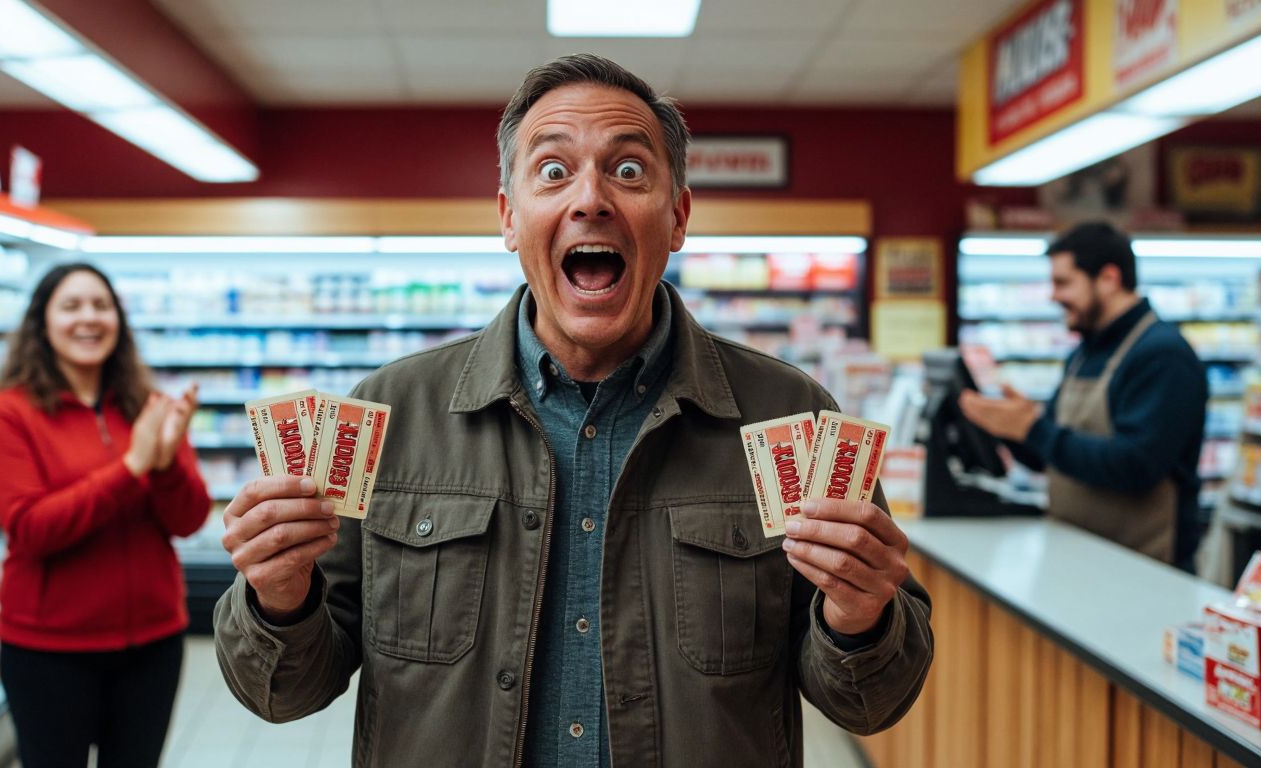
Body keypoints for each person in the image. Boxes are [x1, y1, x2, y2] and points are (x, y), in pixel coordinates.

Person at [214, 54, 933, 765]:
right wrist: (278, 599)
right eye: (553, 172)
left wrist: (860, 620)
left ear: (677, 217)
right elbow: (285, 693)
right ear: (509, 217)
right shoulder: (392, 413)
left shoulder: (790, 417)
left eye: (628, 170)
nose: (591, 198)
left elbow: (869, 702)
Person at [0, 263, 210, 767]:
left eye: (101, 306)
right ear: (42, 322)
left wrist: (165, 465)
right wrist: (132, 467)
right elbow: (32, 529)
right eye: (72, 305)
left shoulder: (148, 406)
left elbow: (188, 520)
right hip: (49, 650)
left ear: (119, 321)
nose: (89, 318)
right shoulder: (8, 413)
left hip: (153, 641)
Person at [959, 222, 1208, 571]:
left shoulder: (1162, 355)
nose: (1052, 295)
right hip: (1079, 555)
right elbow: (1053, 456)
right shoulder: (1085, 353)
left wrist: (1033, 429)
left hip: (1144, 568)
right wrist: (1005, 425)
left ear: (1108, 278)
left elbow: (1137, 466)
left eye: (1063, 282)